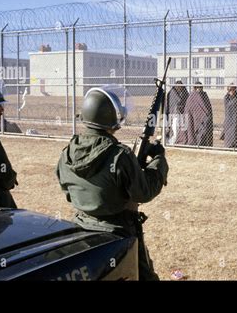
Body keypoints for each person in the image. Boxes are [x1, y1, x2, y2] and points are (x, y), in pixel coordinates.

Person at [56, 86, 169, 281]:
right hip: (119, 230)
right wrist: (159, 161)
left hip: (82, 226)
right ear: (110, 118)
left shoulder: (67, 152)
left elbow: (67, 190)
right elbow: (144, 192)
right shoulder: (120, 155)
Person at [184, 81, 213, 146]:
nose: (199, 89)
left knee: (203, 133)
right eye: (198, 88)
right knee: (193, 132)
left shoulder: (204, 95)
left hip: (204, 119)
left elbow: (208, 107)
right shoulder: (192, 96)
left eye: (200, 88)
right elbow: (188, 108)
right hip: (194, 118)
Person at [220, 84, 237, 148]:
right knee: (230, 136)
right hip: (230, 120)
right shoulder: (227, 98)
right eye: (230, 90)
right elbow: (229, 105)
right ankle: (230, 146)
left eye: (233, 90)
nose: (231, 92)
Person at [166, 80, 189, 145]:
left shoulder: (185, 93)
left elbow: (187, 103)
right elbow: (170, 105)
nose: (180, 88)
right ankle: (172, 143)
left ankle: (180, 142)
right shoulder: (171, 93)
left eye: (181, 87)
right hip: (174, 115)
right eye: (178, 87)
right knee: (175, 131)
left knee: (183, 130)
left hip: (183, 115)